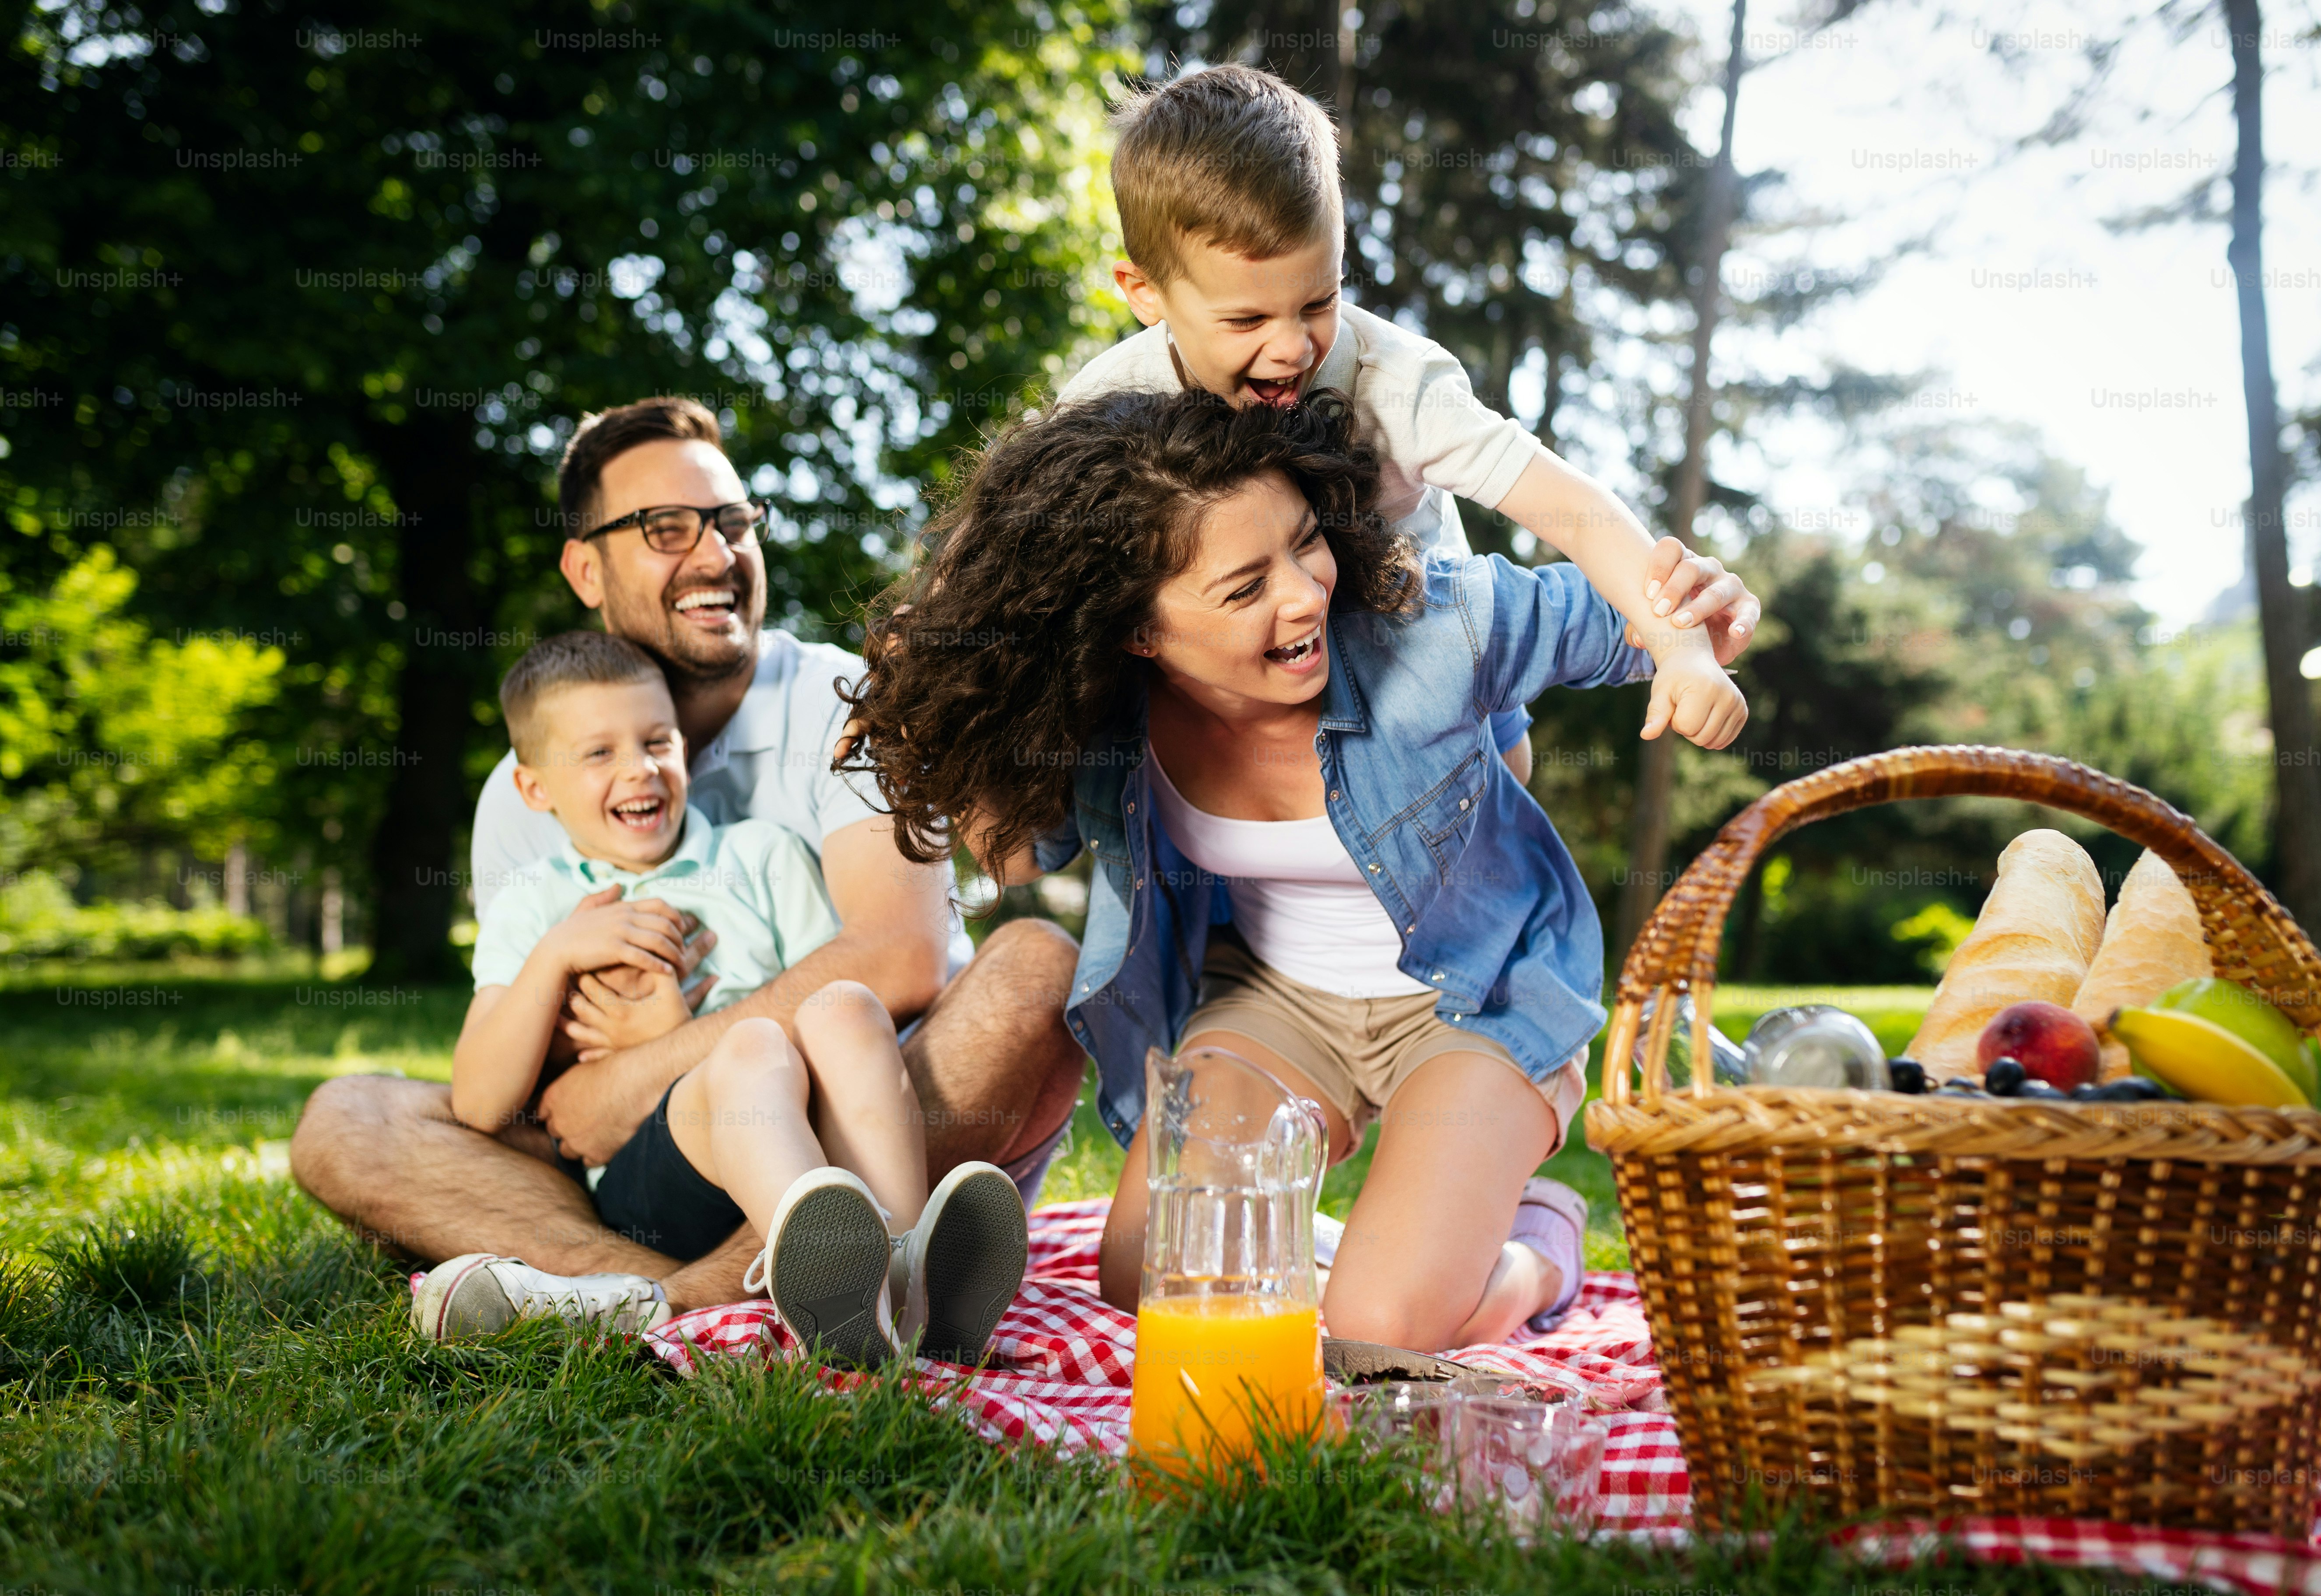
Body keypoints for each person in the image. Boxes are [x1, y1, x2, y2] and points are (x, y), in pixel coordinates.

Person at [843, 390, 1749, 1354]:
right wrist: (932, 729)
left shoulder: (1428, 630)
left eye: (1304, 542)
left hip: (1480, 994)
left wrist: (1700, 628)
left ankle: (1536, 1248)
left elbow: (1633, 610)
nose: (1305, 594)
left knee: (1378, 1334)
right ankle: (1379, 1246)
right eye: (1244, 588)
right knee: (1152, 1276)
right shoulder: (1114, 725)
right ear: (1138, 631)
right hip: (1276, 1000)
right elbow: (1019, 856)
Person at [291, 397, 1087, 1332]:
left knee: (1036, 964)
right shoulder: (522, 789)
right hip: (636, 1167)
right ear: (585, 567)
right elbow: (521, 1086)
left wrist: (642, 1069)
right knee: (349, 1119)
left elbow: (902, 961)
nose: (715, 556)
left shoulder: (850, 711)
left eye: (733, 523)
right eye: (666, 530)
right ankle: (671, 1288)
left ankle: (681, 1297)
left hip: (873, 1115)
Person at [1059, 64, 1763, 786]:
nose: (1293, 347)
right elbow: (1021, 553)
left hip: (1419, 618)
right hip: (1264, 647)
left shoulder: (1396, 383)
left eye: (1319, 300)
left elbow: (1573, 509)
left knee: (1508, 769)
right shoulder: (1109, 402)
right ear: (1145, 293)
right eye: (1246, 320)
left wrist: (1680, 648)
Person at [410, 630, 1026, 1362]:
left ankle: (899, 1272)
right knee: (753, 1043)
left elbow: (825, 1010)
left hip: (792, 1127)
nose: (640, 770)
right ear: (535, 787)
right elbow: (480, 1101)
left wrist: (673, 1031)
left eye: (658, 741)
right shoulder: (539, 906)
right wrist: (559, 956)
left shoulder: (761, 855)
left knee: (847, 1007)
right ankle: (825, 1278)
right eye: (599, 753)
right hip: (658, 1184)